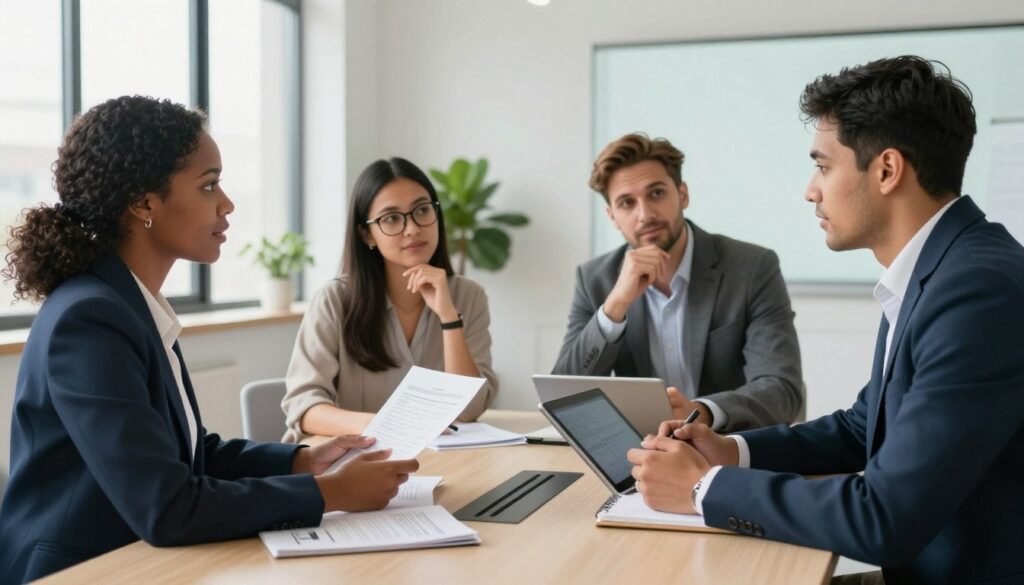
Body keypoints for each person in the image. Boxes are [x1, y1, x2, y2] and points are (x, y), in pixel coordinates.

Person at [628, 56, 1024, 585]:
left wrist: (704, 488)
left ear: (886, 170)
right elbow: (866, 427)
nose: (810, 190)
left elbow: (883, 516)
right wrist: (734, 452)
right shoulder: (941, 267)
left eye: (823, 165)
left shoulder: (976, 291)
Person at [0, 96, 418, 585]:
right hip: (78, 571)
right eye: (208, 185)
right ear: (142, 203)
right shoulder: (90, 320)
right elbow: (168, 505)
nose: (227, 204)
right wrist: (331, 494)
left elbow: (188, 456)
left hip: (139, 559)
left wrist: (303, 460)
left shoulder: (128, 303)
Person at [552, 133, 803, 432]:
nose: (645, 215)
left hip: (728, 447)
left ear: (682, 194)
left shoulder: (751, 267)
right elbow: (563, 400)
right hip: (642, 453)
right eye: (627, 203)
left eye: (656, 193)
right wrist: (615, 307)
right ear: (612, 216)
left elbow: (782, 390)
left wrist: (702, 412)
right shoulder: (595, 279)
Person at [281, 158, 497, 442]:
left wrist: (448, 317)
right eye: (391, 218)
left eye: (422, 210)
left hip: (436, 461)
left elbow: (469, 411)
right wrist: (386, 425)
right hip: (348, 461)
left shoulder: (468, 296)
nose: (412, 229)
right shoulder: (334, 300)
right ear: (367, 233)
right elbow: (304, 409)